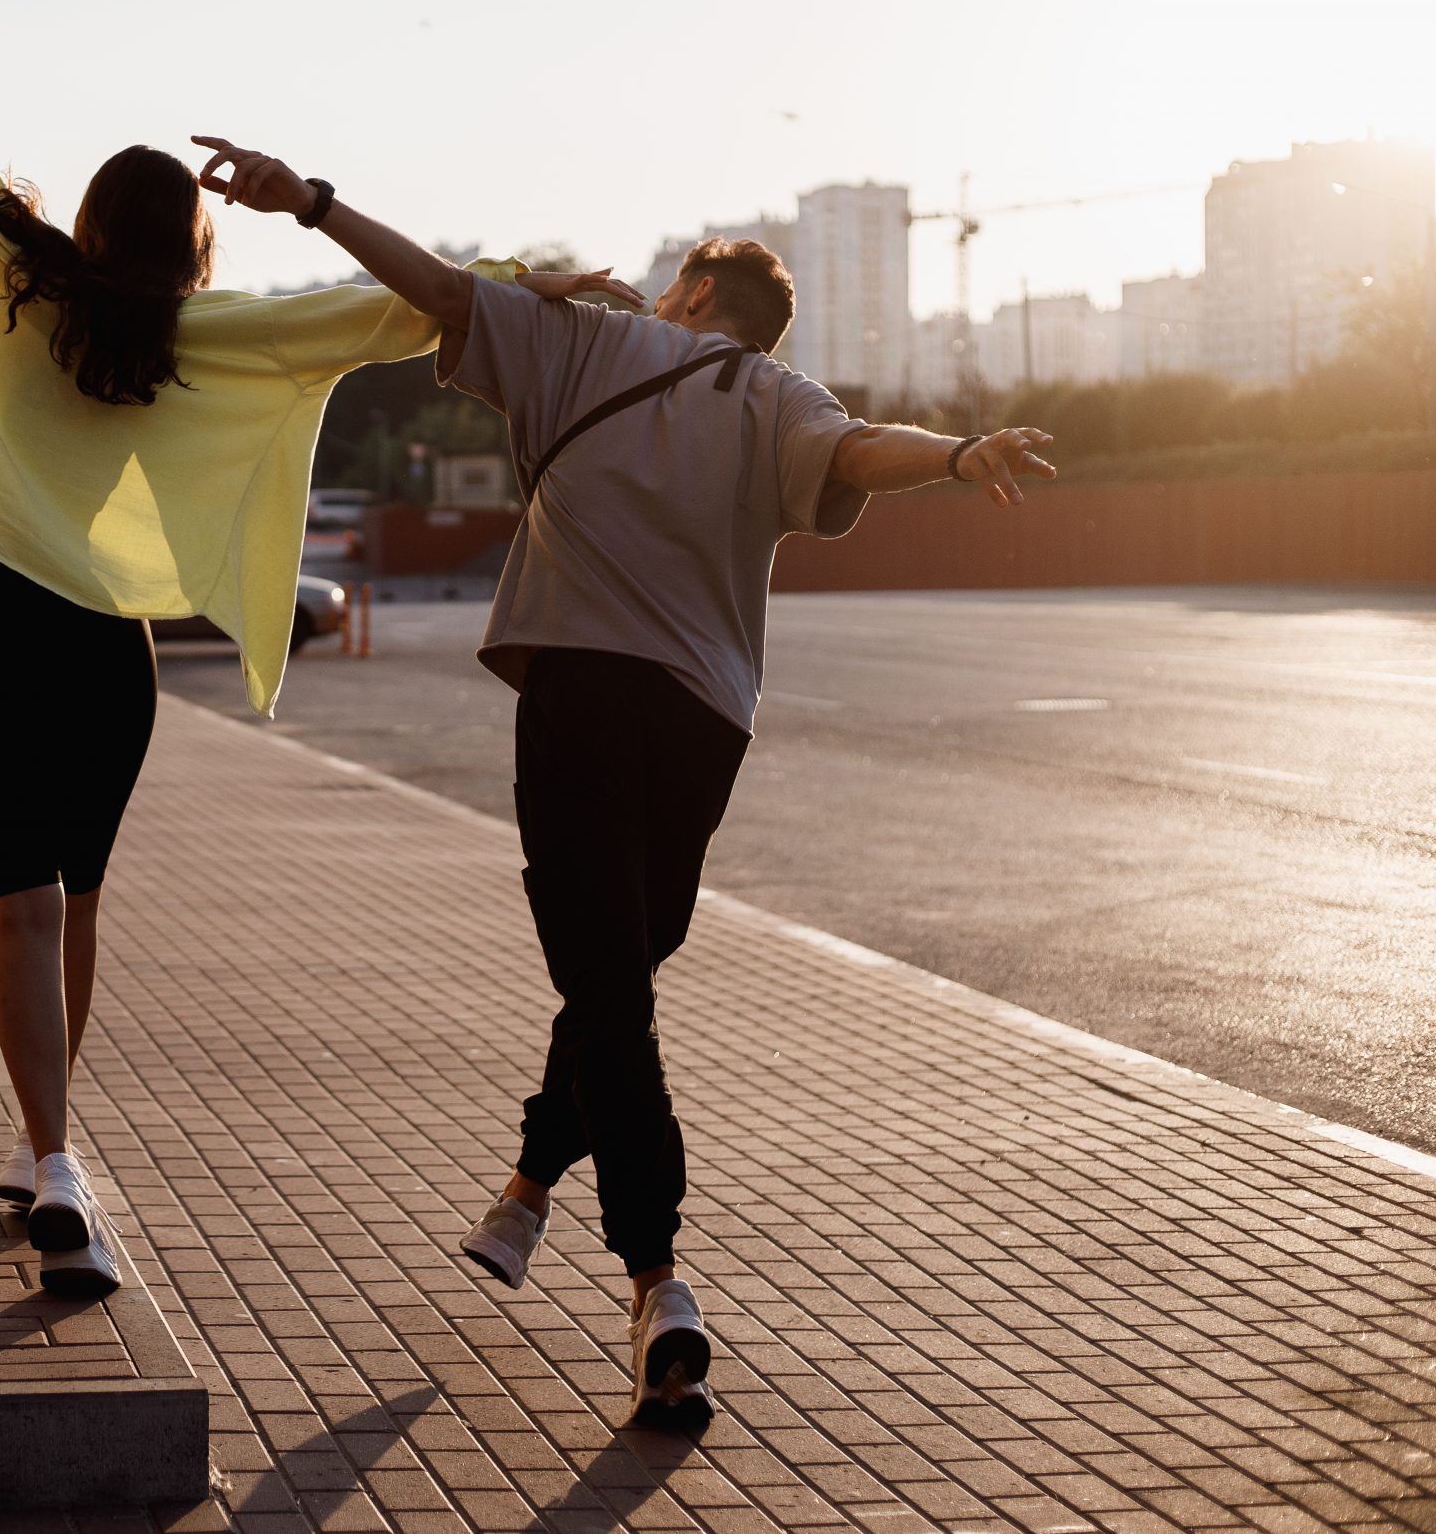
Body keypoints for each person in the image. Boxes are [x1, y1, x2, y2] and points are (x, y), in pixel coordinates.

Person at [195, 136, 1057, 1429]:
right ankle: (529, 1196)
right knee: (619, 971)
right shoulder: (781, 397)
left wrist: (309, 200)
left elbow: (431, 286)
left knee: (606, 983)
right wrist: (962, 450)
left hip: (588, 695)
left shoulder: (590, 340)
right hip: (708, 722)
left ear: (699, 294)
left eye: (675, 278)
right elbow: (866, 446)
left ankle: (658, 1281)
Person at [0, 0, 514, 1299]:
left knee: (19, 912)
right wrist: (527, 286)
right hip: (107, 647)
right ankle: (48, 1153)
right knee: (82, 902)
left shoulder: (17, 264)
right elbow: (391, 311)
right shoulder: (202, 337)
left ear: (92, 225)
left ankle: (50, 1154)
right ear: (190, 245)